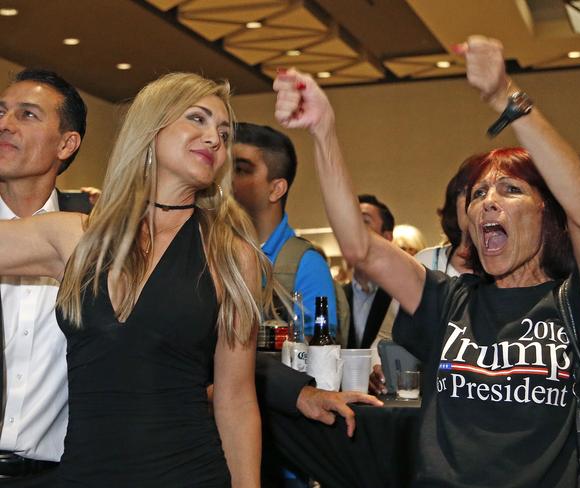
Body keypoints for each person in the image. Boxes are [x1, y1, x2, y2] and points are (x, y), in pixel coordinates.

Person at [273, 35, 580, 487]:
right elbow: (359, 246)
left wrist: (504, 96)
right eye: (478, 194)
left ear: (547, 213)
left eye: (511, 190)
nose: (488, 203)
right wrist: (323, 131)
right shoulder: (448, 298)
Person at [0, 72, 270, 487]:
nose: (215, 139)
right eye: (196, 119)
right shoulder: (75, 236)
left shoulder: (232, 256)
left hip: (189, 475)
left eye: (224, 132)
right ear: (151, 127)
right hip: (83, 476)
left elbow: (236, 399)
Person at [0, 68, 87, 485]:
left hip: (59, 474)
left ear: (67, 144)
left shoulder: (90, 241)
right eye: (1, 111)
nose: (5, 123)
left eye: (27, 114)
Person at [369, 158, 475, 394]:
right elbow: (385, 336)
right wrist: (377, 367)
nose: (479, 202)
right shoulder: (426, 263)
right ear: (452, 204)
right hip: (423, 399)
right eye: (468, 193)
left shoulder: (509, 270)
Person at [232, 122, 338, 338]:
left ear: (276, 189)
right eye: (223, 168)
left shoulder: (305, 266)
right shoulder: (210, 248)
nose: (228, 179)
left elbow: (317, 358)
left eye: (241, 170)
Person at [343, 194, 395, 349]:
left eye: (365, 221)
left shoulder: (398, 297)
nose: (354, 228)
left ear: (387, 237)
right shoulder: (336, 295)